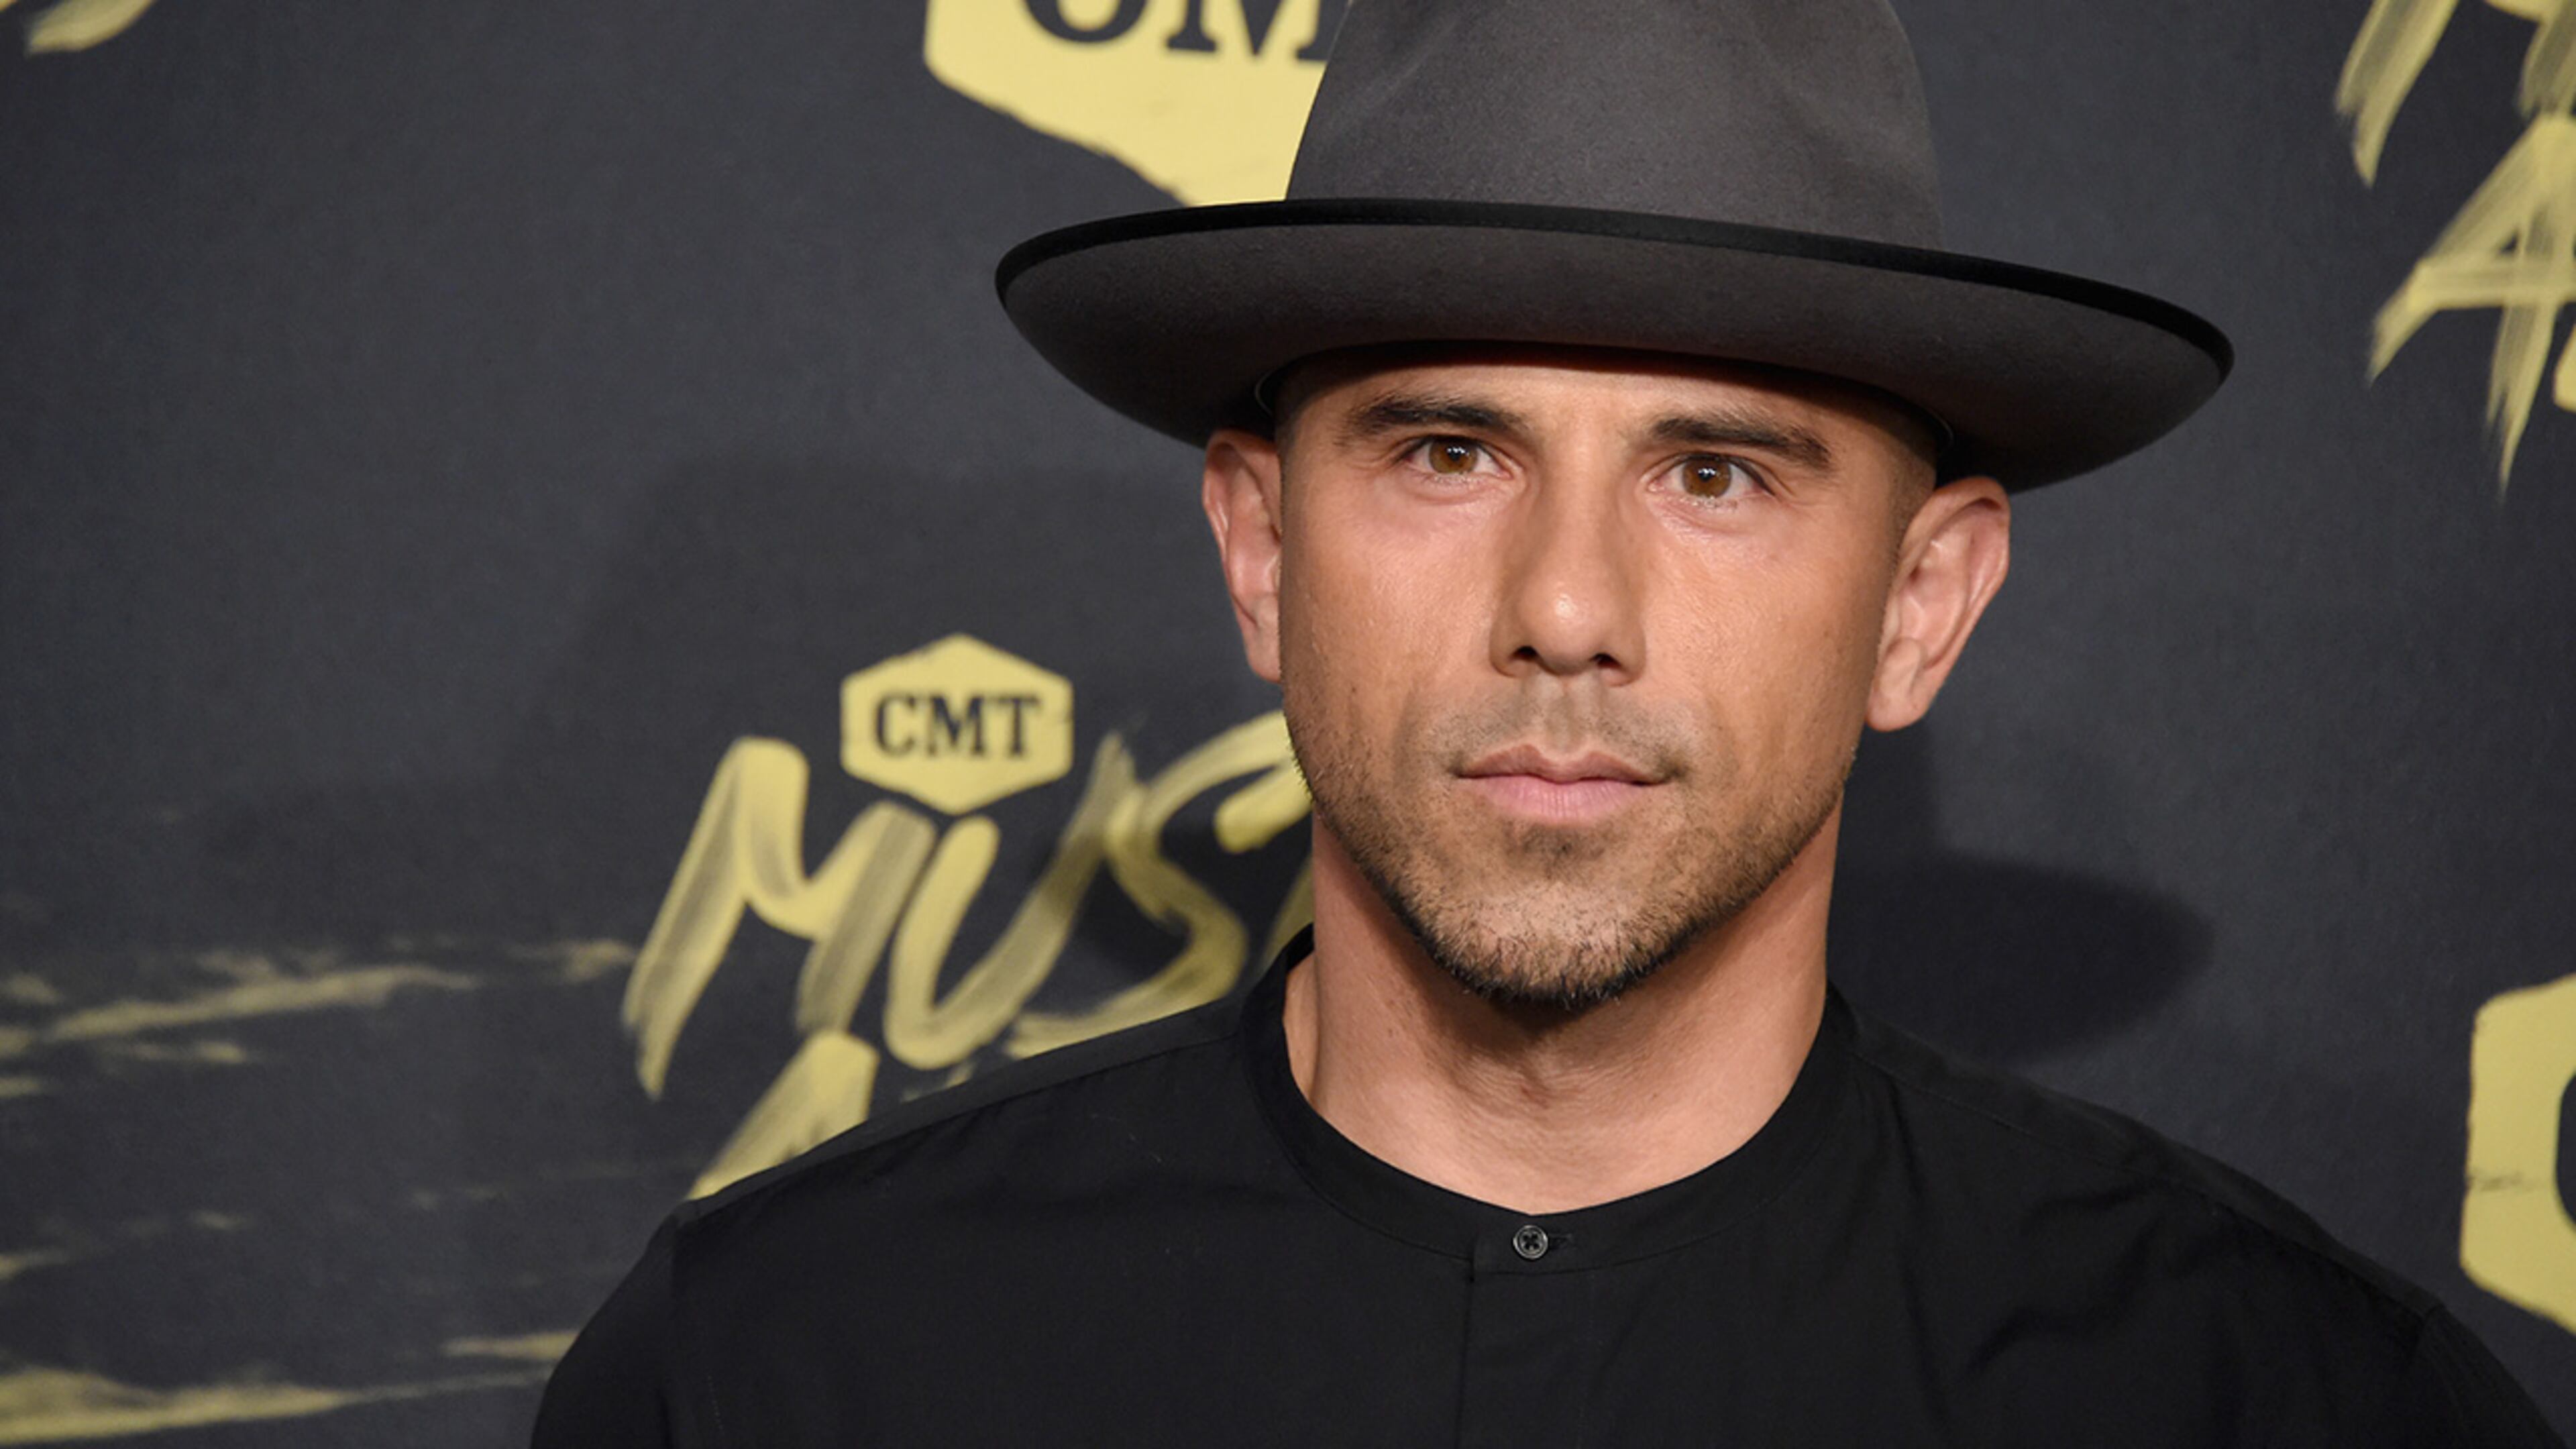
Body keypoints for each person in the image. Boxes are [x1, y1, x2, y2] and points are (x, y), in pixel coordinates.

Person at [533, 0, 2567, 1443]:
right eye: (1445, 450)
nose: (1568, 610)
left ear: (1921, 604)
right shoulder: (784, 1374)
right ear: (1258, 550)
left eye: (1717, 474)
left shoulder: (2278, 1402)